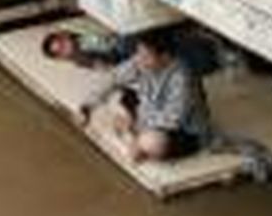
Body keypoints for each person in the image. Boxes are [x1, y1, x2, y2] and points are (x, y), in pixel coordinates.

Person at [78, 29, 212, 163]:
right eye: (139, 53)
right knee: (114, 99)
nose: (140, 59)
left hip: (182, 131)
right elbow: (113, 77)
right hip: (147, 115)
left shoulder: (182, 77)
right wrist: (88, 105)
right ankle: (131, 142)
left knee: (153, 142)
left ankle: (133, 143)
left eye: (147, 56)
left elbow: (172, 119)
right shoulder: (140, 61)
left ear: (165, 56)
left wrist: (137, 127)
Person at [42, 27, 134, 69]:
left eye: (61, 42)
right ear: (61, 56)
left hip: (119, 33)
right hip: (122, 53)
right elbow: (104, 65)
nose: (65, 46)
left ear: (63, 36)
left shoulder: (77, 31)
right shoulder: (80, 59)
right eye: (61, 50)